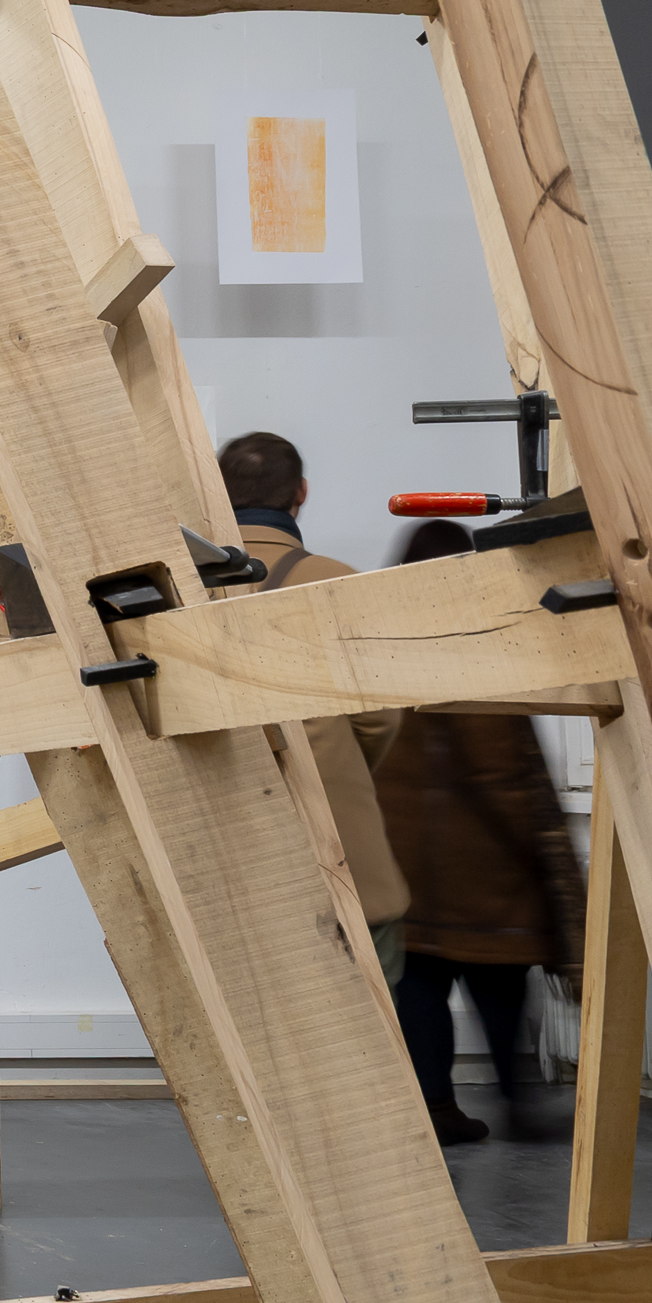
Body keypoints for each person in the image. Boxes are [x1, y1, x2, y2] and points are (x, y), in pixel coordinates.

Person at [369, 516, 585, 1142]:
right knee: (499, 988)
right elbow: (500, 771)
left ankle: (437, 1109)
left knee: (421, 990)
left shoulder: (376, 645)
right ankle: (519, 1103)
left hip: (401, 858)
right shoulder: (476, 647)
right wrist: (540, 854)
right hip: (481, 868)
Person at [219, 430, 414, 1007]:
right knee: (371, 1023)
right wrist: (335, 773)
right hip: (339, 854)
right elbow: (381, 720)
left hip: (225, 850)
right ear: (300, 492)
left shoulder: (173, 589)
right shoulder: (336, 581)